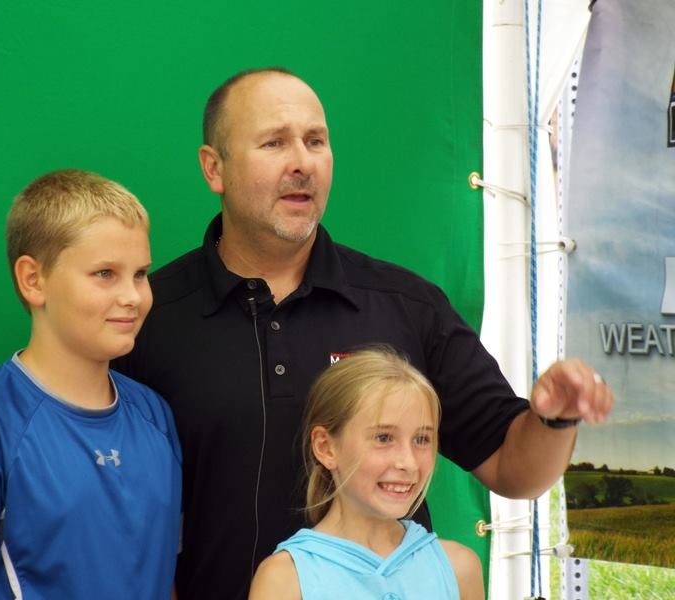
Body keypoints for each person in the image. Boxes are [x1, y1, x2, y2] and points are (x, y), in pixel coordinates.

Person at [111, 67, 613, 600]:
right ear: (215, 168)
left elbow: (516, 470)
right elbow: (116, 517)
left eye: (315, 141)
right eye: (274, 143)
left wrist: (554, 418)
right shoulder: (149, 317)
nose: (302, 162)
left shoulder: (407, 306)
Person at [0, 169, 181, 600]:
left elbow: (160, 576)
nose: (132, 296)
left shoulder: (155, 416)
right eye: (105, 273)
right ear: (33, 279)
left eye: (140, 274)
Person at [248, 347, 484, 600]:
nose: (409, 462)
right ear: (326, 448)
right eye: (384, 438)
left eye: (421, 439)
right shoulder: (285, 579)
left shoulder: (459, 570)